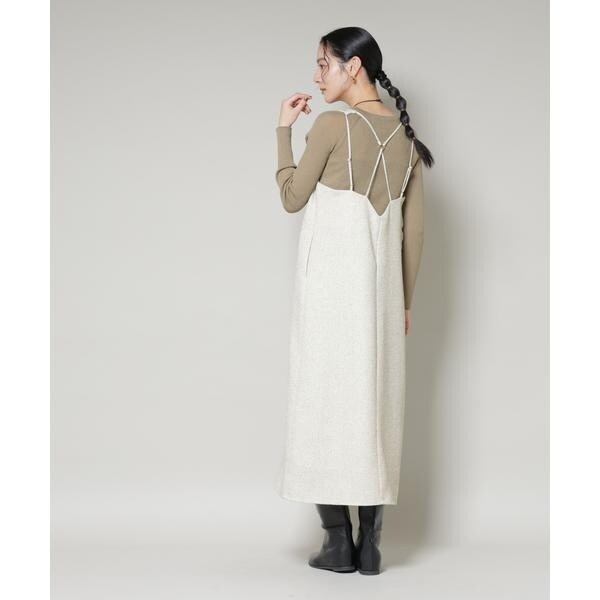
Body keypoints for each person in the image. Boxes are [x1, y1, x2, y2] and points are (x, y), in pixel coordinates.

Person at [275, 26, 434, 575]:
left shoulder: (331, 125)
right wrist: (404, 302)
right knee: (375, 404)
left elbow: (292, 197)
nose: (317, 75)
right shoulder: (407, 140)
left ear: (354, 67)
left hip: (329, 291)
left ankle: (337, 542)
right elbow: (414, 233)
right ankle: (372, 545)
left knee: (324, 402)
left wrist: (282, 131)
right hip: (382, 297)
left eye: (324, 64)